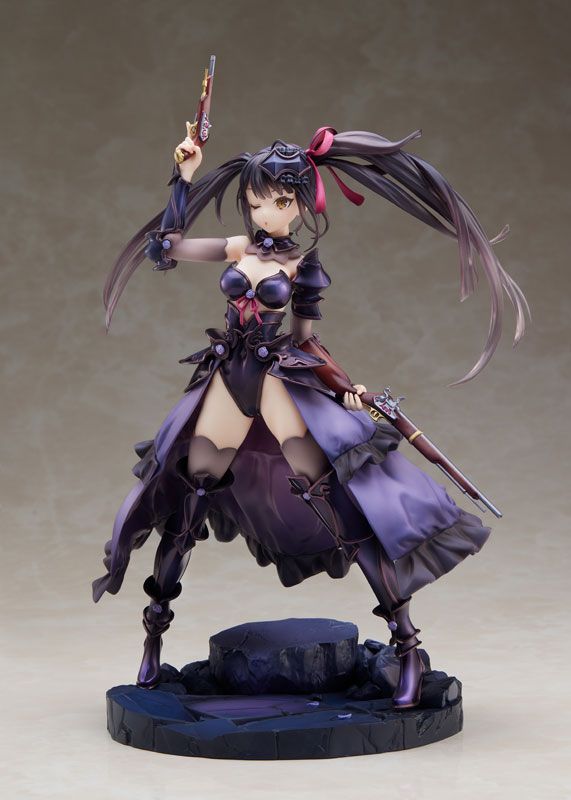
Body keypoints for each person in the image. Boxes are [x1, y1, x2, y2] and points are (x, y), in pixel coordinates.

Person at [93, 124, 528, 708]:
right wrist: (184, 175)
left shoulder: (303, 264)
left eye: (277, 201)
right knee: (189, 502)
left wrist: (346, 386)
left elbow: (305, 341)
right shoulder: (237, 248)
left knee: (336, 500)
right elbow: (164, 249)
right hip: (227, 379)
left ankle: (406, 646)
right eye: (255, 202)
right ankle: (152, 640)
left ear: (300, 202)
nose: (264, 213)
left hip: (276, 380)